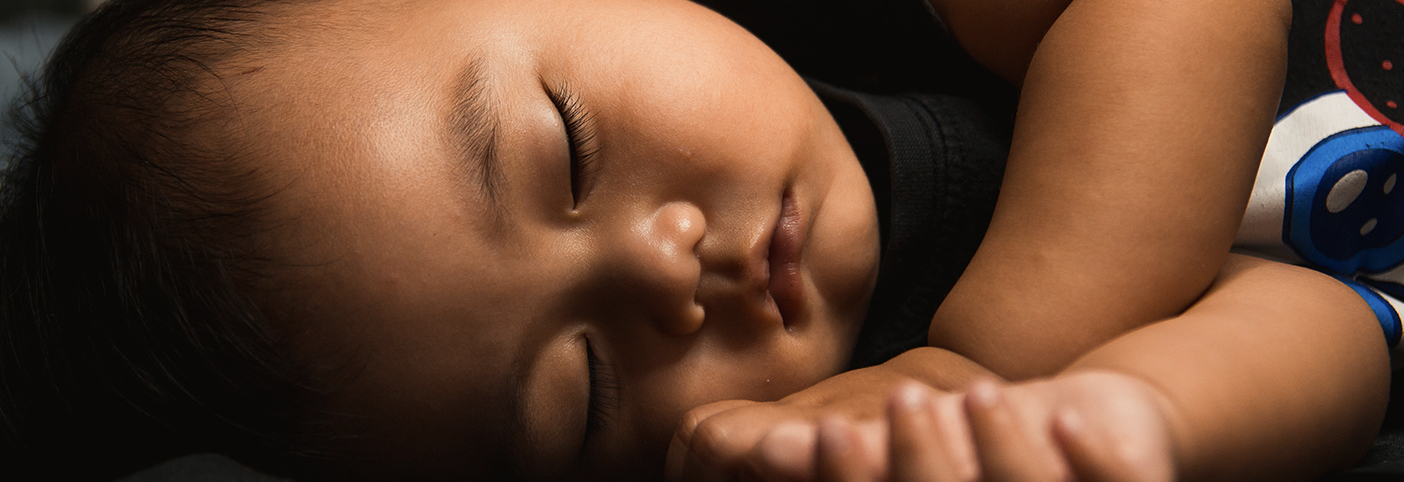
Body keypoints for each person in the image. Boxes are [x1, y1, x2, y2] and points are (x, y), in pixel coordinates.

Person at [0, 0, 1389, 481]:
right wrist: (1090, 423)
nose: (661, 268)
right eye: (584, 385)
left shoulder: (868, 25)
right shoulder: (839, 434)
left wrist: (995, 351)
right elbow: (1342, 336)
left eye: (565, 148)